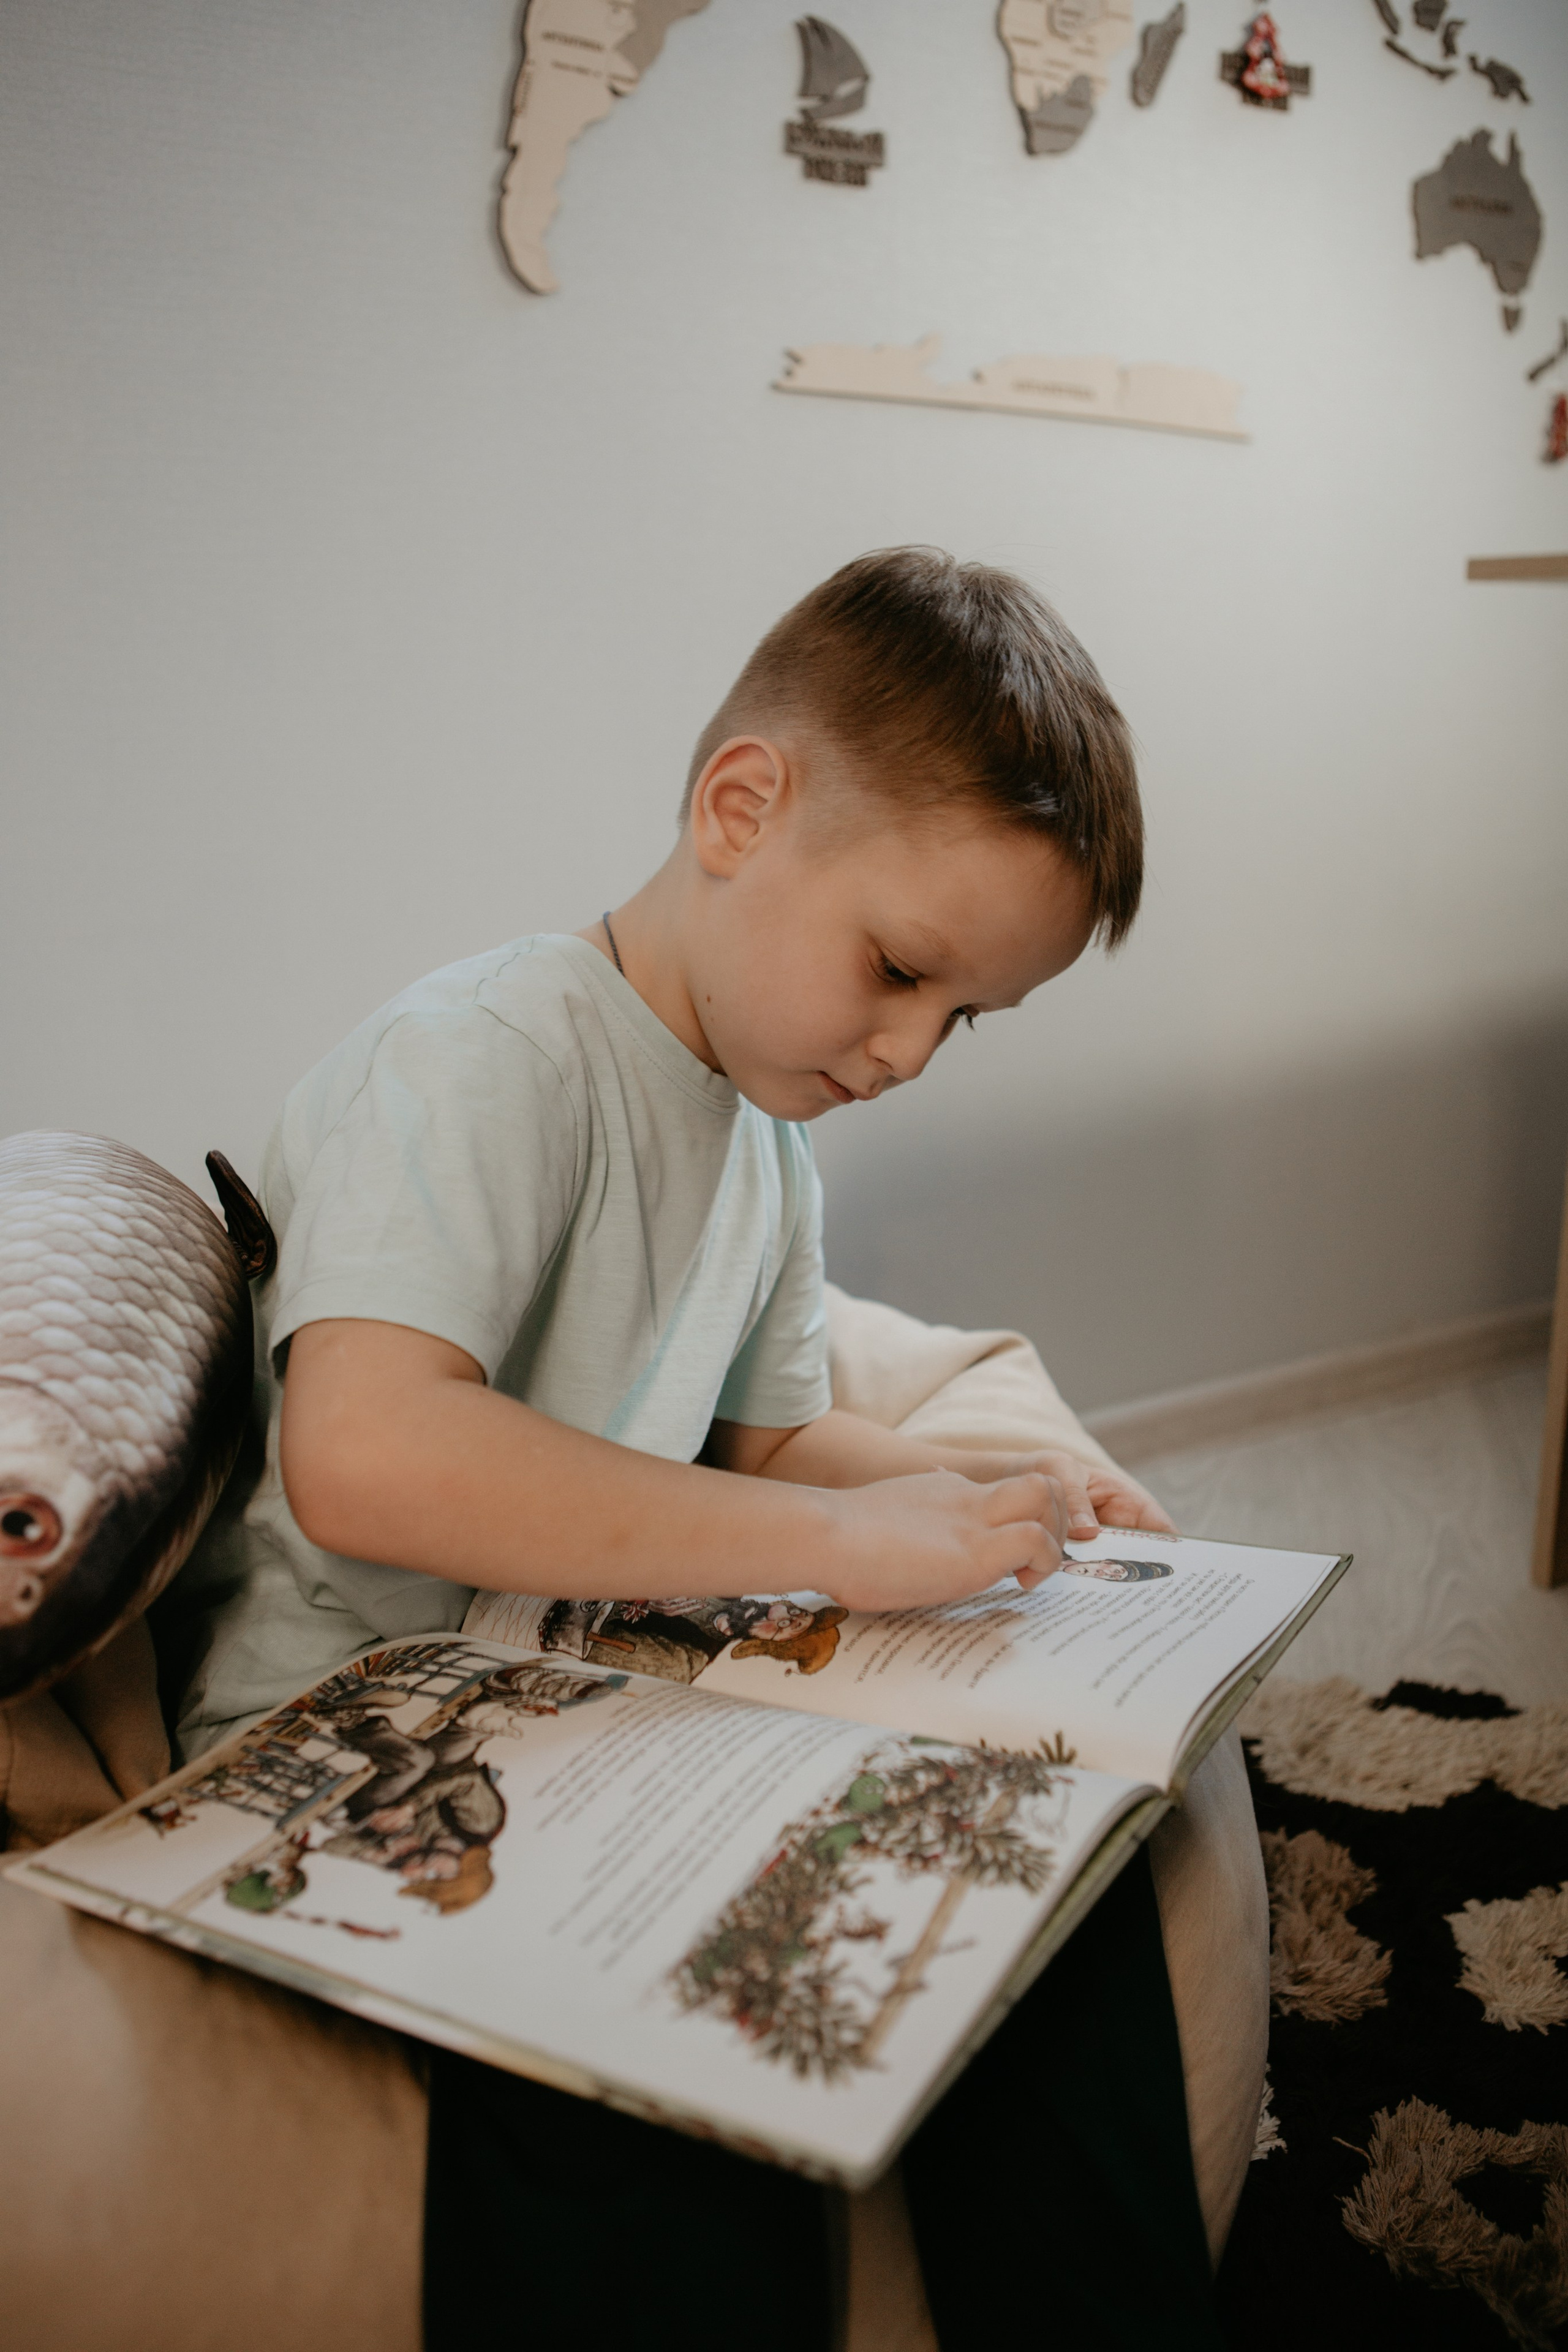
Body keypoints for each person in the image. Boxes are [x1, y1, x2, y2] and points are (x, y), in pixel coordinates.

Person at [171, 548, 1216, 2346]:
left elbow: (779, 1432)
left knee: (1049, 1875)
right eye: (898, 969)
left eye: (960, 1015)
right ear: (742, 807)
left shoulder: (767, 1144)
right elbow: (364, 1455)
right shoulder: (493, 1055)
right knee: (657, 2094)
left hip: (586, 1674)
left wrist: (957, 1500)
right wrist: (822, 1546)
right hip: (358, 1727)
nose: (908, 1051)